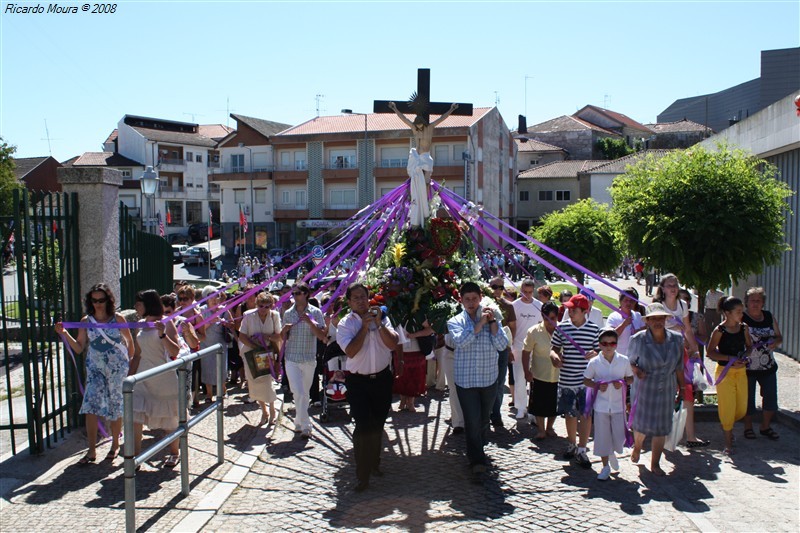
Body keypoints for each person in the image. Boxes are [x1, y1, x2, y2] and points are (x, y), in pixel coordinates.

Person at [55, 284, 134, 464]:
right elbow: (79, 347)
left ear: (108, 300)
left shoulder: (118, 318)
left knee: (115, 407)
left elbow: (130, 341)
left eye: (101, 300)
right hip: (95, 369)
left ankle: (115, 444)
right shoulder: (86, 321)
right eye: (94, 300)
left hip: (116, 370)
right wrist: (65, 333)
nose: (98, 304)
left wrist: (127, 362)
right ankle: (91, 450)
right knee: (90, 406)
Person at [337, 283, 400, 492]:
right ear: (349, 302)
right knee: (363, 426)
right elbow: (351, 351)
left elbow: (393, 344)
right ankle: (362, 475)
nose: (360, 301)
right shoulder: (345, 324)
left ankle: (374, 462)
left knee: (378, 424)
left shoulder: (382, 317)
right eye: (355, 298)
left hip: (382, 379)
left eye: (363, 297)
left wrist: (378, 324)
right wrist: (364, 327)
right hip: (358, 382)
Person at [447, 282, 509, 477]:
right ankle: (476, 459)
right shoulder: (455, 321)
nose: (471, 303)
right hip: (466, 382)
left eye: (474, 298)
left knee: (483, 420)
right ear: (461, 300)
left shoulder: (493, 318)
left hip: (488, 379)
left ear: (480, 298)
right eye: (467, 299)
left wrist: (491, 324)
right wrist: (479, 323)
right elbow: (461, 342)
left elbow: (501, 345)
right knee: (472, 421)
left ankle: (479, 448)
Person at [628, 303, 686, 476]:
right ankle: (637, 447)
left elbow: (679, 366)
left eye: (661, 318)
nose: (657, 322)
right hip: (645, 387)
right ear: (647, 321)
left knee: (661, 427)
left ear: (666, 320)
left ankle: (655, 464)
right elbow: (629, 362)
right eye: (653, 319)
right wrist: (636, 370)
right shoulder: (638, 339)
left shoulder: (677, 339)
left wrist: (682, 388)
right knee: (642, 426)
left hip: (667, 387)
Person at [653, 274, 707, 448]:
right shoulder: (657, 306)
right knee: (665, 395)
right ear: (662, 288)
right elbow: (652, 330)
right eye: (669, 285)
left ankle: (691, 436)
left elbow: (688, 330)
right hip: (662, 355)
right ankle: (662, 436)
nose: (673, 288)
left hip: (680, 354)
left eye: (675, 284)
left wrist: (694, 350)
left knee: (688, 392)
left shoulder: (682, 305)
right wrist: (671, 327)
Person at [130, 290, 181, 467]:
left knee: (169, 418)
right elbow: (137, 354)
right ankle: (135, 458)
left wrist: (162, 334)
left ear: (147, 304)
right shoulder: (139, 324)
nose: (136, 307)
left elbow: (175, 352)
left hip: (163, 378)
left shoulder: (167, 323)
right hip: (143, 377)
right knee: (135, 417)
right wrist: (129, 377)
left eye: (138, 304)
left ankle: (174, 452)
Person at [550, 294, 600, 468]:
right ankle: (571, 443)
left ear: (585, 311)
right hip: (567, 380)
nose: (570, 312)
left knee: (586, 415)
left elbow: (600, 351)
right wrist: (555, 357)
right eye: (569, 309)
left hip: (586, 382)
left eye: (574, 310)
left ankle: (582, 449)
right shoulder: (562, 328)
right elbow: (554, 348)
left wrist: (596, 353)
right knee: (570, 415)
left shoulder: (594, 329)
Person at [584, 329, 634, 481]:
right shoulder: (594, 362)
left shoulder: (624, 360)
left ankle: (612, 451)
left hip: (618, 406)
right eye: (605, 344)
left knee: (619, 436)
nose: (608, 347)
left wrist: (623, 383)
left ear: (617, 345)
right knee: (602, 436)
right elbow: (586, 380)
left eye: (612, 343)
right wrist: (597, 385)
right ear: (599, 345)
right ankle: (605, 466)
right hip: (601, 406)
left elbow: (630, 378)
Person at [707, 296, 752, 455]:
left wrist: (745, 357)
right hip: (724, 373)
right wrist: (728, 359)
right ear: (727, 313)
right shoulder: (719, 330)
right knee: (727, 407)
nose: (742, 314)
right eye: (738, 311)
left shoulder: (744, 328)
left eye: (742, 311)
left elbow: (749, 346)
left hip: (741, 372)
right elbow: (710, 352)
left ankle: (727, 427)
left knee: (741, 407)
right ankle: (728, 442)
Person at [281, 282, 326, 439]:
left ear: (306, 294)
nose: (295, 296)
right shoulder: (288, 313)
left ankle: (299, 421)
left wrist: (309, 322)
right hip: (291, 358)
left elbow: (322, 336)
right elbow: (281, 337)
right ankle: (306, 425)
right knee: (298, 392)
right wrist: (284, 330)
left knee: (304, 393)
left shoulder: (316, 312)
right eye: (293, 293)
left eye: (298, 293)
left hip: (308, 358)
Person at [742, 287, 782, 440]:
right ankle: (748, 427)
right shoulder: (742, 318)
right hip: (748, 367)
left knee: (770, 397)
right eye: (752, 300)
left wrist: (776, 342)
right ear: (747, 302)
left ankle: (765, 426)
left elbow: (779, 336)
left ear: (763, 302)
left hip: (768, 366)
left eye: (758, 300)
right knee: (748, 399)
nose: (755, 303)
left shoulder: (769, 316)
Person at [238, 292, 282, 426]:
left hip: (268, 352)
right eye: (261, 306)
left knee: (268, 381)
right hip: (251, 352)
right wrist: (255, 345)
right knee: (255, 381)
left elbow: (278, 336)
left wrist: (266, 337)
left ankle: (272, 409)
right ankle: (264, 411)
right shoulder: (248, 316)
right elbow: (242, 336)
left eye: (267, 306)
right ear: (257, 305)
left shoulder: (275, 316)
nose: (264, 309)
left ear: (272, 306)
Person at [521, 302, 560, 440]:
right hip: (539, 374)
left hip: (558, 375)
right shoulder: (534, 331)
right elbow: (526, 352)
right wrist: (526, 371)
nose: (551, 321)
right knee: (539, 404)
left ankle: (550, 427)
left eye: (554, 318)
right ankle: (541, 429)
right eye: (547, 318)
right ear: (542, 316)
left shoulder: (563, 331)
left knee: (554, 404)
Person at [510, 279, 542, 421]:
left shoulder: (539, 305)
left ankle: (533, 409)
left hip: (535, 347)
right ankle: (521, 407)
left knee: (535, 379)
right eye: (525, 292)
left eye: (530, 292)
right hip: (518, 345)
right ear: (521, 290)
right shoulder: (514, 305)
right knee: (519, 377)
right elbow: (511, 327)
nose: (527, 295)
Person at [489, 277, 516, 427]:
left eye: (500, 287)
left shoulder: (508, 306)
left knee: (499, 383)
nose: (497, 289)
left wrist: (510, 348)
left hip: (502, 350)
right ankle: (486, 412)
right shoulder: (483, 304)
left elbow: (512, 329)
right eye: (494, 286)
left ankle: (496, 413)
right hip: (486, 350)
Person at [199, 286, 233, 402]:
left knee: (221, 367)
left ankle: (223, 390)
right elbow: (198, 328)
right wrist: (210, 322)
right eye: (211, 297)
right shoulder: (201, 310)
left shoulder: (224, 309)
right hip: (206, 344)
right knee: (207, 368)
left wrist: (225, 323)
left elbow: (232, 324)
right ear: (206, 299)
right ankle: (209, 394)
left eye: (216, 297)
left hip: (220, 343)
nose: (214, 300)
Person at [394, 320, 434, 412]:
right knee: (401, 376)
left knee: (414, 377)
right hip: (400, 350)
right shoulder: (396, 313)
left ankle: (411, 402)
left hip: (417, 349)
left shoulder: (419, 315)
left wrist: (415, 334)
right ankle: (402, 400)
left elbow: (431, 328)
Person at [606, 287, 646, 356]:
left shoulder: (637, 315)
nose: (629, 303)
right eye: (626, 300)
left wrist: (638, 331)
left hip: (636, 355)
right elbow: (610, 337)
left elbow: (645, 332)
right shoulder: (613, 317)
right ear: (620, 301)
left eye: (631, 301)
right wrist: (624, 325)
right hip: (619, 356)